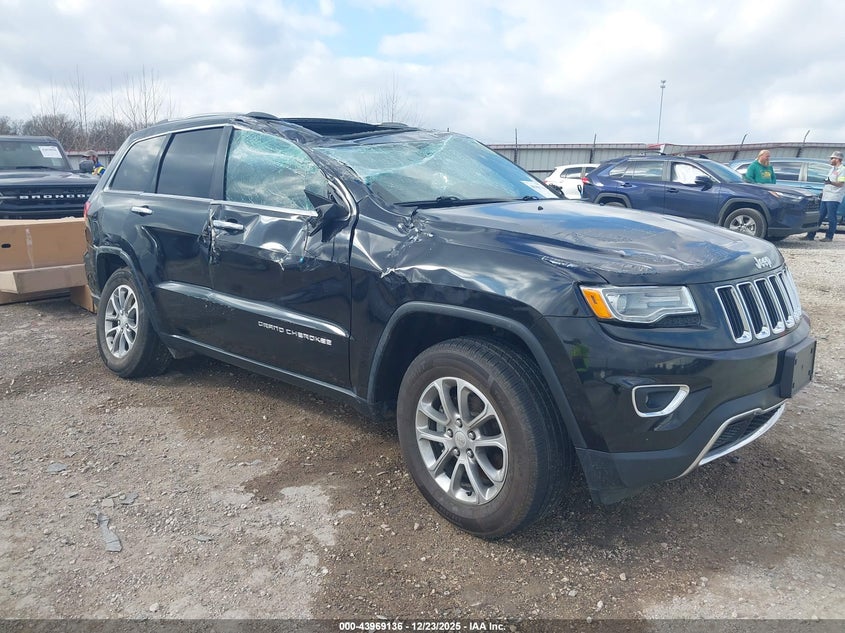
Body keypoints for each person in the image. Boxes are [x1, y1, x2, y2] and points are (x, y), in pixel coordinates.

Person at [803, 150, 845, 242]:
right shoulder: (832, 169)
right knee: (820, 216)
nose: (830, 160)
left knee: (831, 217)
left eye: (832, 158)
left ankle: (829, 237)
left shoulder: (842, 170)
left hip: (834, 196)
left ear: (838, 159)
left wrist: (830, 182)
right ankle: (810, 235)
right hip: (826, 196)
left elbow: (841, 183)